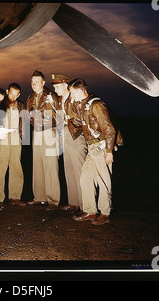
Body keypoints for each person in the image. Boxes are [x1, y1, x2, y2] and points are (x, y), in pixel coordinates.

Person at [68, 78, 123, 225]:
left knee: (104, 181)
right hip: (92, 148)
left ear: (81, 90)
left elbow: (109, 129)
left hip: (102, 147)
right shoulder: (83, 106)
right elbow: (81, 123)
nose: (71, 96)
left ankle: (105, 213)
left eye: (72, 93)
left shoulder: (96, 105)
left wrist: (109, 151)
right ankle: (90, 211)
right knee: (85, 178)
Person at [51, 73, 87, 215]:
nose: (55, 89)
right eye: (54, 87)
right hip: (65, 135)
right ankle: (74, 202)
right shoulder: (60, 99)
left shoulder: (74, 98)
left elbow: (82, 117)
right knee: (69, 169)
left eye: (57, 86)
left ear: (66, 84)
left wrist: (67, 121)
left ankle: (86, 205)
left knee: (80, 170)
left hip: (76, 136)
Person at [26, 70, 61, 211]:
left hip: (49, 131)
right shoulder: (30, 97)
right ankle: (40, 197)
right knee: (38, 164)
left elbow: (59, 115)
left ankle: (53, 200)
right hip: (37, 132)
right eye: (32, 82)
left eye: (37, 82)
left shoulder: (51, 96)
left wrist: (56, 134)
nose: (34, 85)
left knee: (51, 166)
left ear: (43, 82)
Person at [0, 83, 26, 208]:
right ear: (7, 91)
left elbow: (23, 121)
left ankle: (15, 197)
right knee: (1, 168)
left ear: (19, 94)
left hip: (16, 138)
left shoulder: (21, 105)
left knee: (16, 167)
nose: (13, 96)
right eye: (11, 93)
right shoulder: (1, 104)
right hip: (2, 138)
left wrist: (22, 136)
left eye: (16, 94)